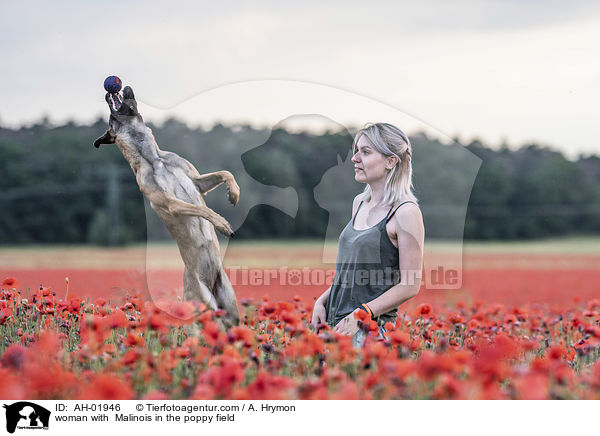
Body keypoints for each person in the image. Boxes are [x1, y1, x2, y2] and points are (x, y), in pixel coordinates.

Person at [311, 122, 425, 347]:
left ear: (391, 161)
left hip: (369, 332)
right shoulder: (359, 203)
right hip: (335, 326)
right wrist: (322, 301)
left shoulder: (406, 212)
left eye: (365, 152)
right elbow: (351, 272)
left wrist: (362, 314)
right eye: (356, 151)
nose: (354, 158)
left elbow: (410, 284)